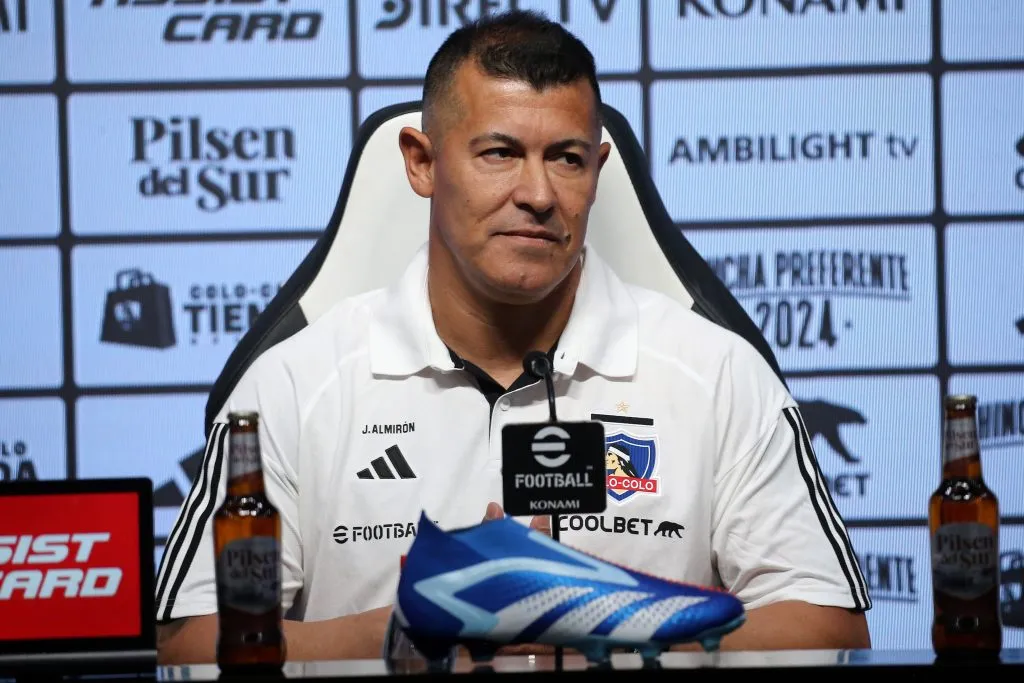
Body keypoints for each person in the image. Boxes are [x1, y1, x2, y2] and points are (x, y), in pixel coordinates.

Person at [155, 10, 871, 664]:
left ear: (598, 170)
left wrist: (597, 610)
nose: (538, 193)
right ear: (422, 162)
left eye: (566, 157)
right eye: (499, 152)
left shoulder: (716, 374)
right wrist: (408, 628)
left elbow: (833, 629)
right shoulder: (293, 385)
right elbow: (185, 643)